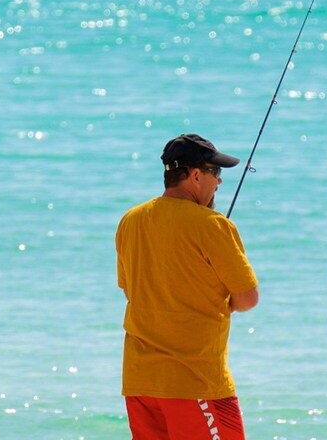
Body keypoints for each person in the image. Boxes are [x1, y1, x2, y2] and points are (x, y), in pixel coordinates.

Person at [116, 133, 262, 440]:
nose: (219, 182)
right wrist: (221, 302)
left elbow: (132, 291)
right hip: (194, 382)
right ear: (195, 175)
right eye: (215, 172)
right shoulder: (213, 225)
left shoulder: (131, 220)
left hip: (140, 382)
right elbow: (248, 298)